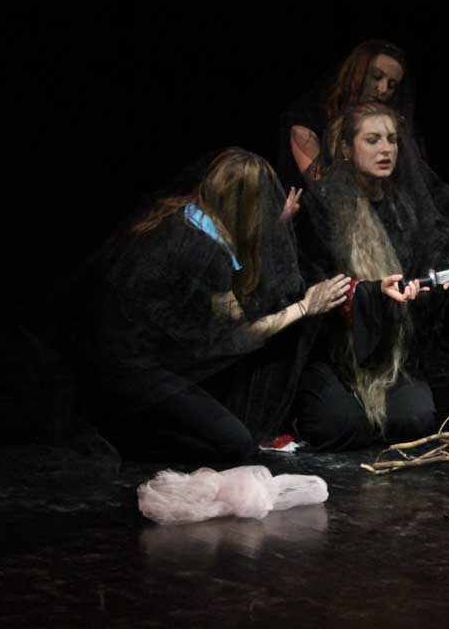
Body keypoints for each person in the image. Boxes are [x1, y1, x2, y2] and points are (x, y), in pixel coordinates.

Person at [73, 148, 352, 462]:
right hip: (133, 369)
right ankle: (127, 435)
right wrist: (305, 306)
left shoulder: (184, 213)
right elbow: (242, 333)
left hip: (115, 353)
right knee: (236, 444)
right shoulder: (204, 251)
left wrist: (276, 223)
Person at [295, 101, 449, 450]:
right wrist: (370, 292)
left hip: (390, 350)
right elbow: (310, 280)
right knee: (338, 426)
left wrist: (442, 286)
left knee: (415, 420)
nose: (386, 149)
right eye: (373, 140)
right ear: (347, 149)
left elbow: (419, 275)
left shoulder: (406, 205)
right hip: (336, 351)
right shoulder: (322, 205)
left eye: (392, 140)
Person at [279, 39, 414, 187]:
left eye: (391, 85)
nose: (382, 89)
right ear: (357, 72)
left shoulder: (390, 126)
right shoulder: (310, 117)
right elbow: (323, 187)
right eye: (376, 76)